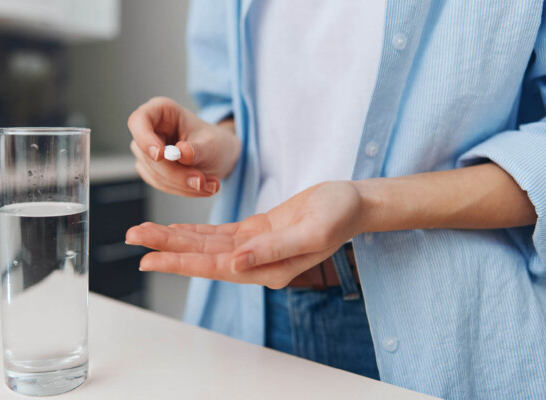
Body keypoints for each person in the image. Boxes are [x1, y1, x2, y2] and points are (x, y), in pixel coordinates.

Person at [126, 1, 546, 398]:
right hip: (257, 306)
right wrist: (215, 143)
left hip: (447, 325)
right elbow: (232, 102)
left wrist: (369, 204)